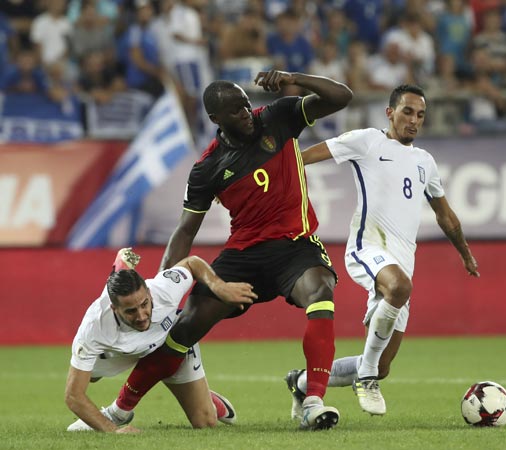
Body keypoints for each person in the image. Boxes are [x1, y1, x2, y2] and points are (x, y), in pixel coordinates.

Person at [107, 70, 353, 431]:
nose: (246, 113)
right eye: (236, 110)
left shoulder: (277, 117)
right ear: (215, 120)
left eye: (246, 103)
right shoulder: (208, 168)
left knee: (320, 292)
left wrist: (292, 78)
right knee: (184, 327)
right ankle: (119, 409)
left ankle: (313, 400)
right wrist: (162, 290)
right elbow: (185, 230)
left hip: (295, 245)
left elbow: (340, 96)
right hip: (244, 255)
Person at [284, 84, 480, 417]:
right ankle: (367, 379)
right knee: (399, 290)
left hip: (402, 261)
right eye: (407, 112)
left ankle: (302, 382)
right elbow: (302, 159)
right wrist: (260, 179)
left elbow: (444, 214)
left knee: (383, 361)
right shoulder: (366, 141)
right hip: (366, 247)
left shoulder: (424, 162)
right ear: (389, 112)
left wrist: (464, 253)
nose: (414, 120)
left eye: (420, 115)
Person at [64, 248, 256, 432]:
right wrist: (113, 431)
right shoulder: (94, 328)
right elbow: (73, 396)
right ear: (115, 309)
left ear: (148, 293)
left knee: (206, 422)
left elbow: (192, 263)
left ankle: (203, 396)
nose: (141, 316)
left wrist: (218, 285)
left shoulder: (163, 290)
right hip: (117, 355)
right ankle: (119, 266)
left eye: (144, 304)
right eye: (130, 311)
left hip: (167, 346)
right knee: (93, 376)